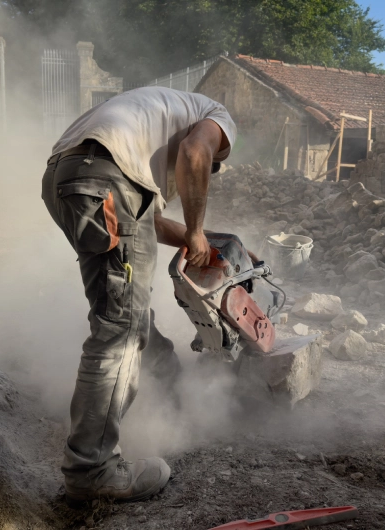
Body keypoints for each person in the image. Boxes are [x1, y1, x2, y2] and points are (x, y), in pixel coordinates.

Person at [41, 86, 236, 505]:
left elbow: (148, 223)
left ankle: (167, 377)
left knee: (122, 305)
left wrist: (206, 242)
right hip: (106, 181)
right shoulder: (216, 116)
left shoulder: (149, 121)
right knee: (122, 326)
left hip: (67, 177)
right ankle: (91, 468)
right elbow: (195, 155)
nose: (209, 172)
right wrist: (198, 227)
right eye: (217, 165)